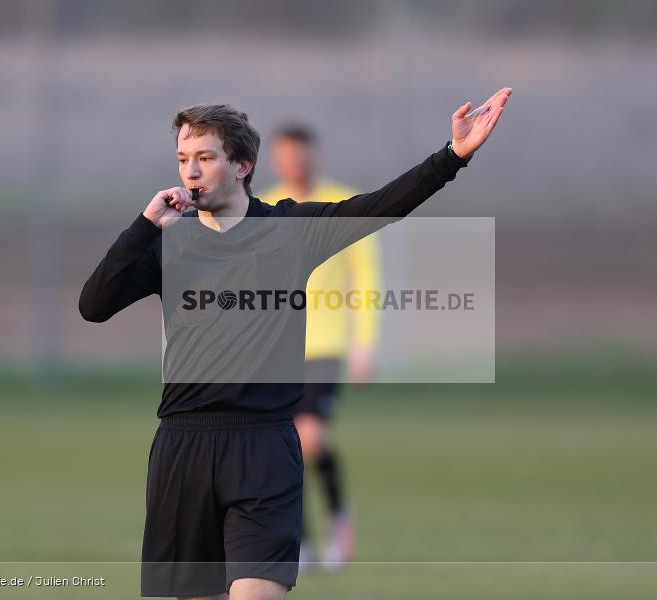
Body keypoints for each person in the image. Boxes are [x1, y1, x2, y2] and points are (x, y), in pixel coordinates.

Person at [78, 88, 511, 600]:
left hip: (263, 446)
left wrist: (454, 156)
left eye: (205, 158)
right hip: (183, 446)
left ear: (241, 165)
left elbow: (379, 206)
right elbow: (94, 304)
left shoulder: (289, 229)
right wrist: (144, 226)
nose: (190, 172)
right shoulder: (170, 240)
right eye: (182, 159)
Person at [260, 125, 380, 569]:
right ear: (273, 159)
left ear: (315, 155)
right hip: (275, 347)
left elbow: (366, 278)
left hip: (326, 342)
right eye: (287, 155)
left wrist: (365, 344)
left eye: (303, 154)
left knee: (310, 439)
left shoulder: (341, 204)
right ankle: (301, 541)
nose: (296, 163)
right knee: (279, 444)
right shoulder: (265, 208)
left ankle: (339, 517)